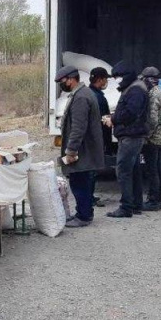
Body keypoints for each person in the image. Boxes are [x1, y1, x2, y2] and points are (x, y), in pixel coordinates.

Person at [55, 65, 104, 227]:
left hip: (83, 150)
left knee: (80, 182)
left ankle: (83, 217)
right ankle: (83, 213)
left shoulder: (81, 97)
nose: (62, 84)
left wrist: (70, 151)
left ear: (71, 79)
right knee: (83, 182)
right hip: (85, 149)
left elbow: (78, 127)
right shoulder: (82, 94)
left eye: (63, 81)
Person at [107, 61, 149, 219]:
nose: (117, 80)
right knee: (134, 170)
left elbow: (130, 113)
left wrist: (113, 119)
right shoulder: (133, 88)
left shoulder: (136, 90)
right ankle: (136, 204)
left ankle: (126, 208)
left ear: (126, 76)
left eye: (118, 77)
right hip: (132, 135)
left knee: (123, 171)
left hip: (131, 136)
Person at [142, 66, 161, 211]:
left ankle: (154, 201)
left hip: (152, 139)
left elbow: (152, 120)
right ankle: (158, 198)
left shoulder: (153, 95)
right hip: (160, 136)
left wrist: (145, 136)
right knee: (157, 169)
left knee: (152, 170)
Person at [88, 67, 113, 207]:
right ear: (100, 79)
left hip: (95, 137)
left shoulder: (93, 93)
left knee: (92, 169)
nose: (106, 81)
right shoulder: (96, 96)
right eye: (105, 79)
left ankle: (90, 196)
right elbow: (101, 120)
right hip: (97, 138)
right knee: (91, 169)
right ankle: (89, 198)